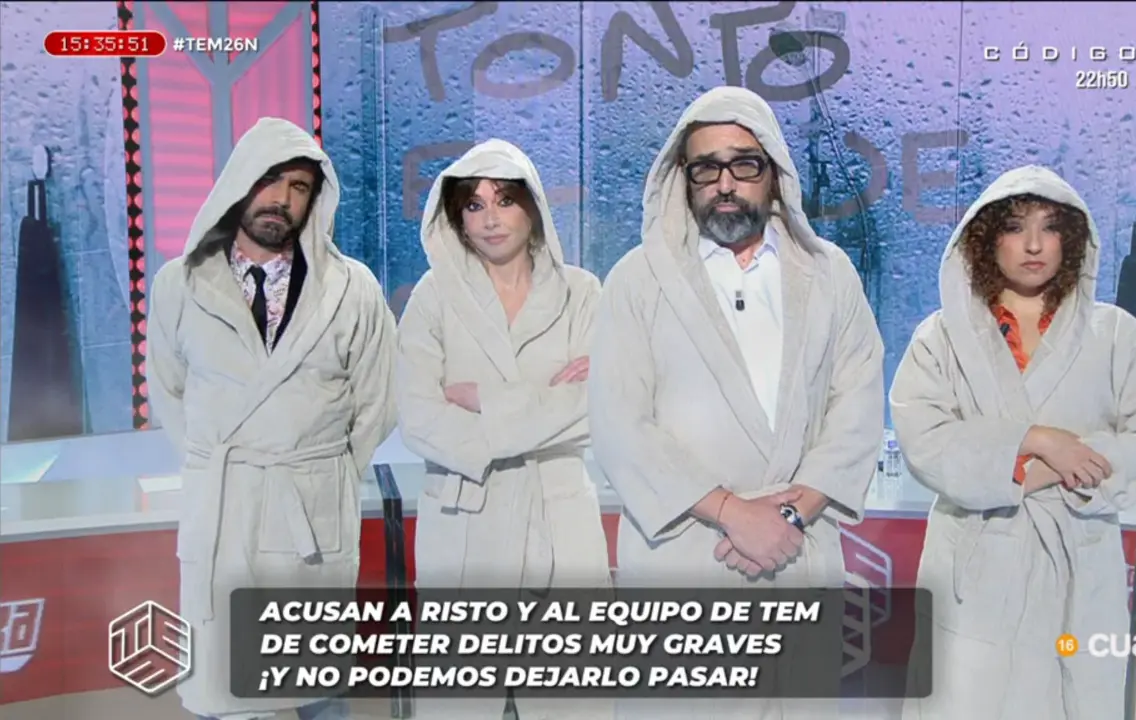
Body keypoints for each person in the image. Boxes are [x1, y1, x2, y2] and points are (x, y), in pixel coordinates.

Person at [588, 87, 885, 719]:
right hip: (684, 558)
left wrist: (791, 514)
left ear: (773, 172)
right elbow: (619, 426)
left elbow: (857, 404)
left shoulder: (829, 274)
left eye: (743, 164)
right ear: (684, 177)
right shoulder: (636, 280)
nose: (725, 183)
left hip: (797, 551)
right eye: (707, 167)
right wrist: (732, 513)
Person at [890, 165, 1136, 720]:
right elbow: (926, 441)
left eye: (1050, 227)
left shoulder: (1116, 335)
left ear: (1070, 240)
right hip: (975, 563)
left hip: (1078, 554)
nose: (1033, 245)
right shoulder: (940, 339)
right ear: (985, 239)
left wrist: (1053, 467)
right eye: (1015, 227)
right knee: (964, 699)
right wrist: (1040, 443)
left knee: (1072, 696)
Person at [146, 117, 398, 720]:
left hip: (307, 511)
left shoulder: (352, 289)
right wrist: (219, 464)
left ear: (316, 199)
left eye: (299, 186)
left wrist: (320, 474)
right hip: (223, 510)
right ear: (240, 181)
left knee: (319, 696)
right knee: (226, 694)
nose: (281, 199)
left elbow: (380, 401)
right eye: (269, 180)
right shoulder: (179, 284)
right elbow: (169, 392)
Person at [396, 139, 612, 719]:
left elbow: (600, 409)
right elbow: (419, 417)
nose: (490, 218)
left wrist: (484, 402)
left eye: (505, 200)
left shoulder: (583, 293)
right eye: (474, 205)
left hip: (559, 523)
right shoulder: (432, 298)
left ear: (533, 206)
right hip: (465, 523)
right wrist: (543, 409)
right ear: (456, 219)